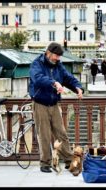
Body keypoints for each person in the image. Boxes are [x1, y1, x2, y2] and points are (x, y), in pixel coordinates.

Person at [29, 42, 84, 173]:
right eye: (56, 56)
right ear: (48, 53)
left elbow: (68, 78)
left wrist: (78, 88)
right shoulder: (36, 64)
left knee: (61, 133)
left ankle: (68, 160)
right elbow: (38, 79)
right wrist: (54, 83)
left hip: (54, 104)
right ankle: (45, 163)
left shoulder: (58, 65)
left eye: (59, 56)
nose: (58, 59)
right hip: (40, 103)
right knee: (44, 135)